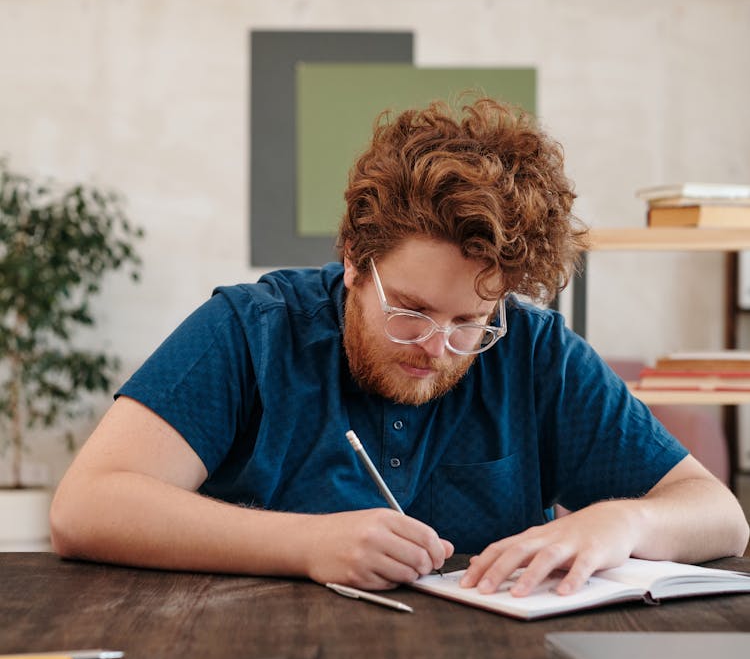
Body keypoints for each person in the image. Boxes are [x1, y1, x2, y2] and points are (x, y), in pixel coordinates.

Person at [50, 98, 749, 596]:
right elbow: (87, 506)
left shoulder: (534, 354)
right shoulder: (252, 331)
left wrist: (620, 521)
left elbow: (720, 515)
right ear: (356, 258)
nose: (437, 348)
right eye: (409, 310)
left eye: (470, 320)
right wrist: (306, 544)